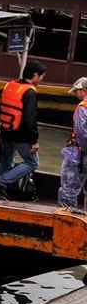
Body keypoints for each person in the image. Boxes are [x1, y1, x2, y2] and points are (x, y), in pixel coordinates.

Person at [0, 60, 47, 199]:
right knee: (32, 163)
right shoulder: (29, 92)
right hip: (21, 135)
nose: (42, 79)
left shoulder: (10, 85)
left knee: (6, 161)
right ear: (35, 75)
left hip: (5, 131)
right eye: (41, 76)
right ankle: (0, 183)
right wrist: (34, 140)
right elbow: (30, 119)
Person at [58, 77, 87, 212]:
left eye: (77, 91)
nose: (76, 94)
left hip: (78, 152)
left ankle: (66, 218)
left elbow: (82, 133)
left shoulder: (83, 107)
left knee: (69, 187)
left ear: (84, 91)